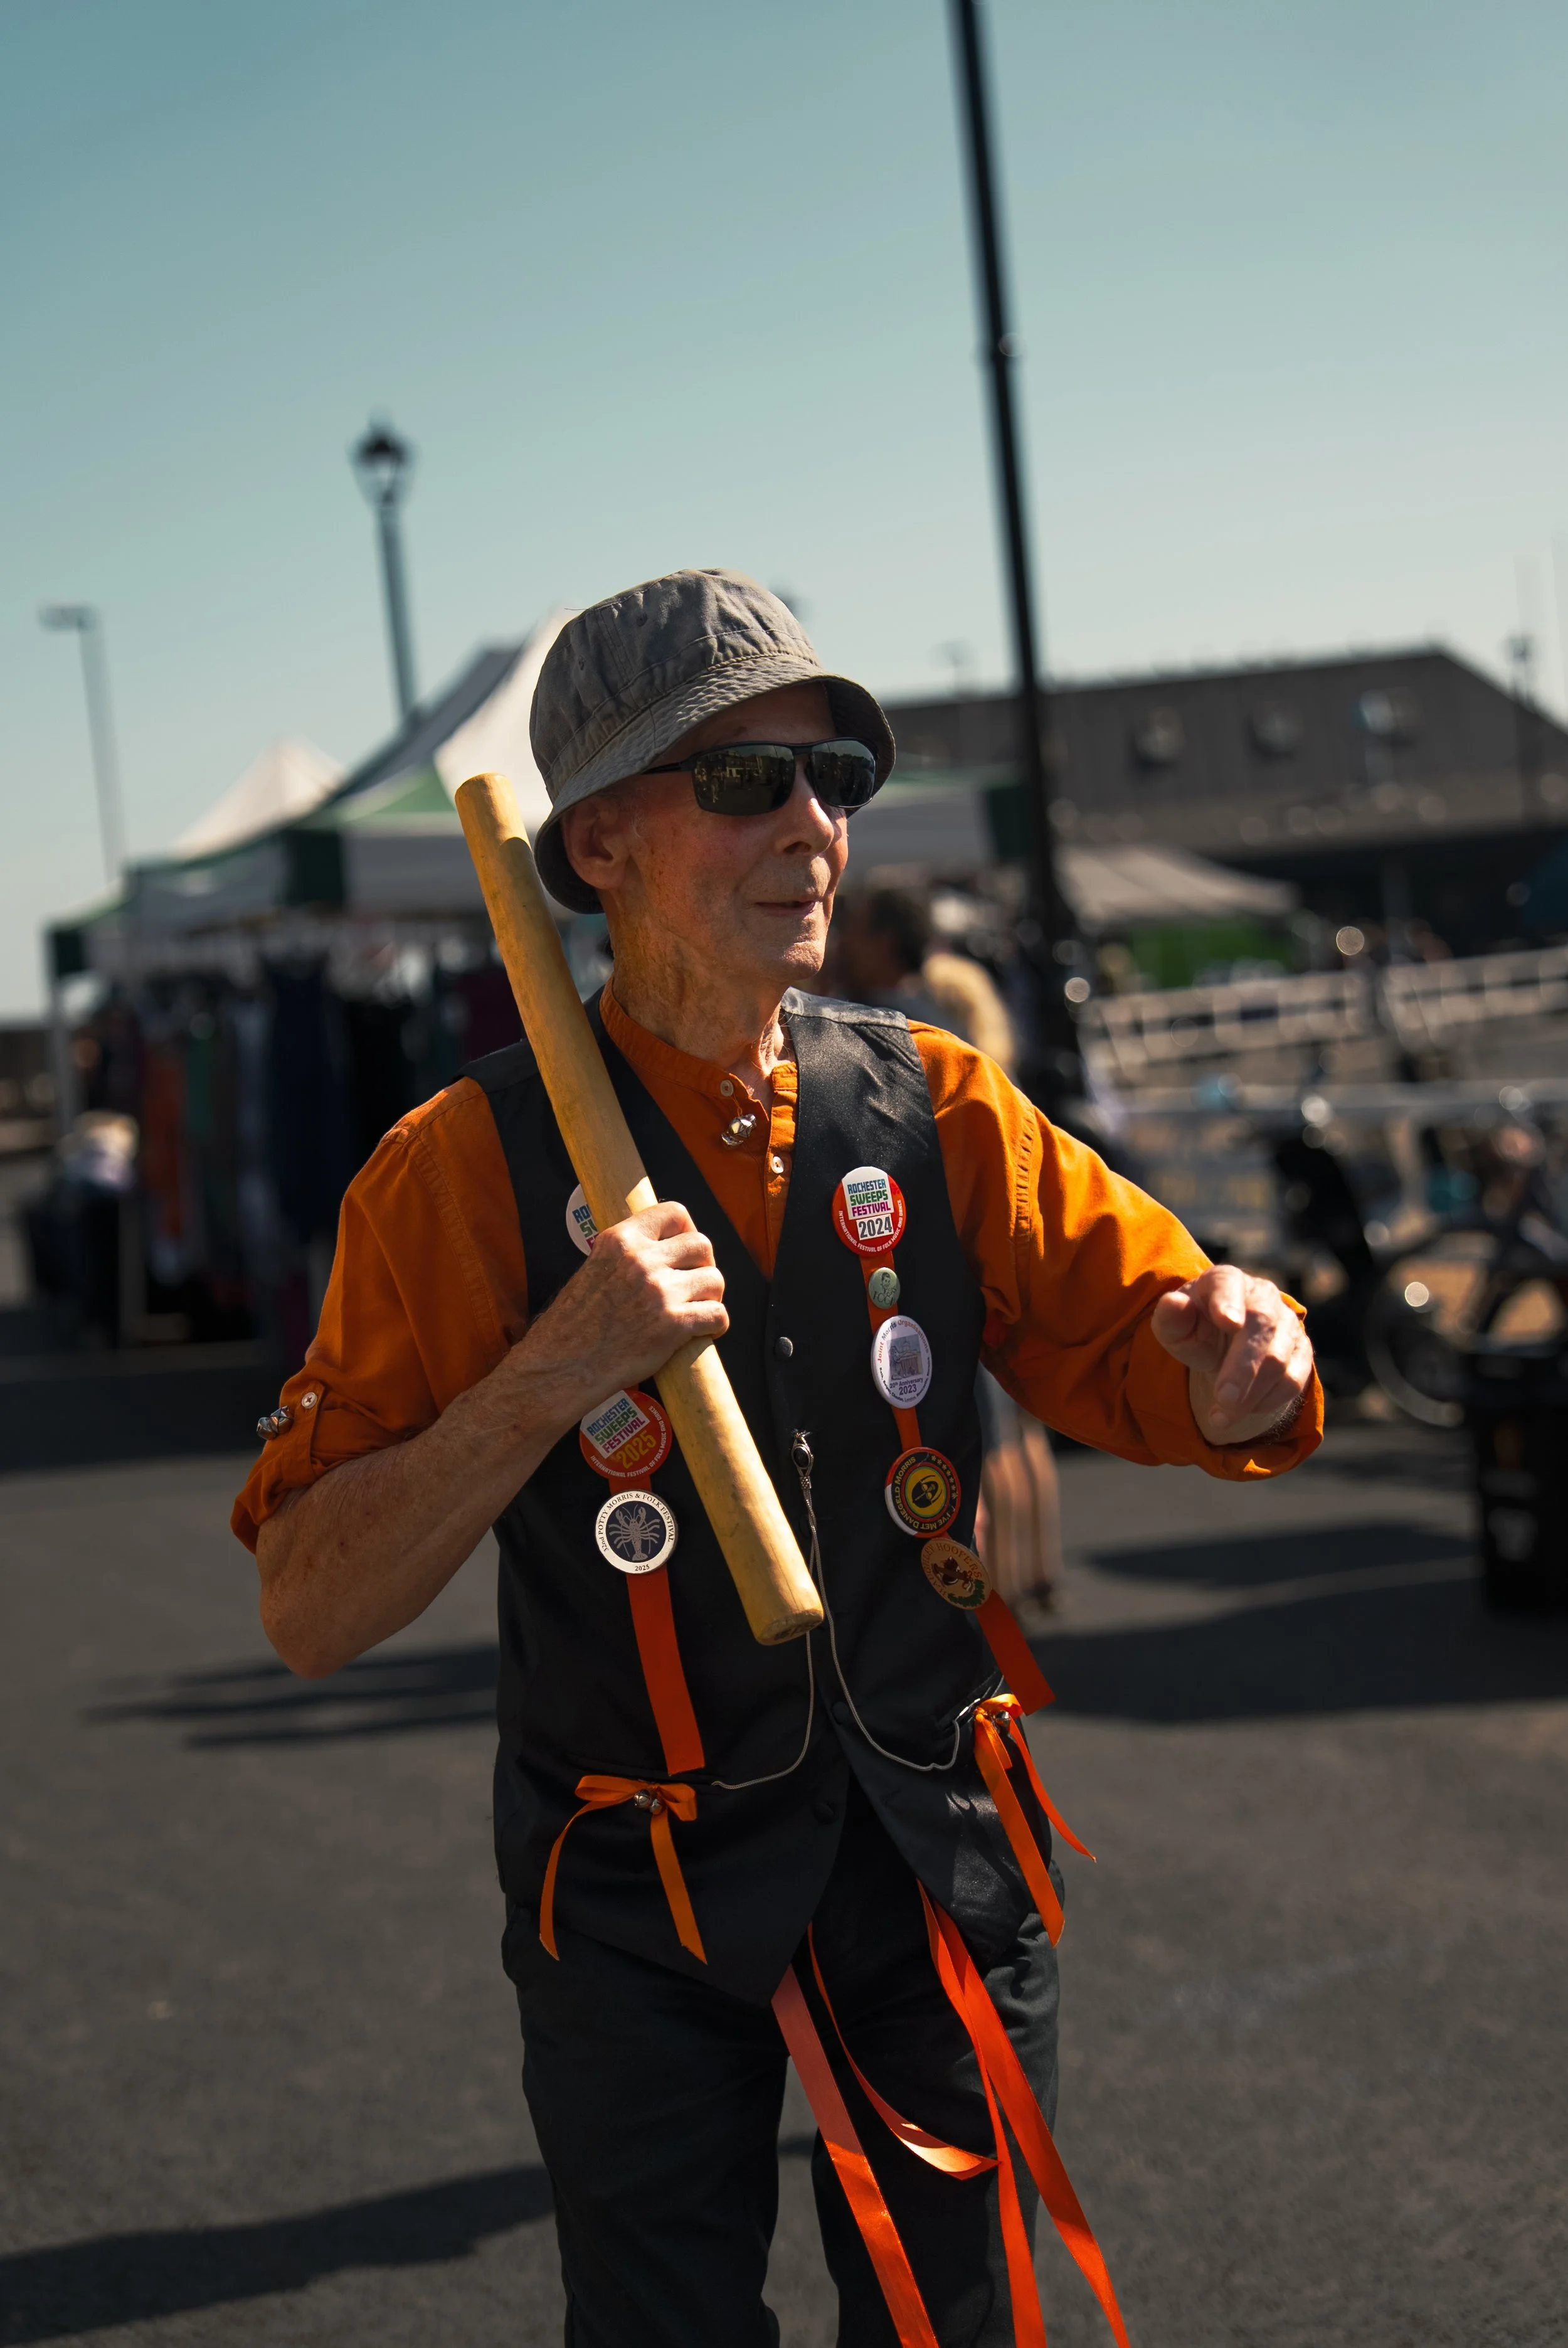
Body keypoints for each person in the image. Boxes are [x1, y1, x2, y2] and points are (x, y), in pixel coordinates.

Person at [235, 570, 1320, 2348]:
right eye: (745, 783)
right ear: (598, 843)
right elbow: (305, 1603)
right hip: (636, 1886)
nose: (814, 825)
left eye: (834, 774)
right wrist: (543, 1375)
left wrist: (1232, 1368)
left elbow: (1161, 1353)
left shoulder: (940, 1102)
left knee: (958, 2326)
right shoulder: (453, 1168)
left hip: (930, 1841)